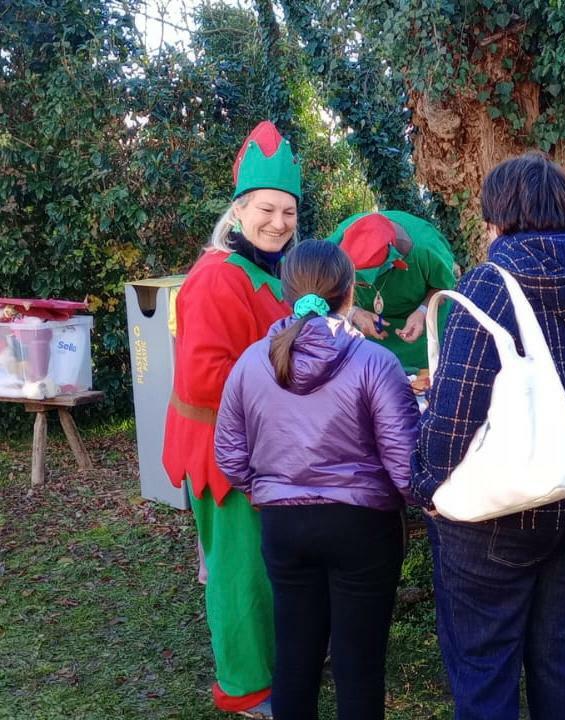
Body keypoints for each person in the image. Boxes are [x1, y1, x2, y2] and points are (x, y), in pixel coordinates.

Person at [412, 152, 565, 720]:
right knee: (561, 648)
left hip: (501, 511)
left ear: (496, 219)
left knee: (483, 662)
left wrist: (424, 486)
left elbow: (454, 416)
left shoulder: (489, 287)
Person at [215, 240, 418, 720]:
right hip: (362, 528)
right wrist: (418, 501)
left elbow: (229, 454)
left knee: (295, 656)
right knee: (359, 665)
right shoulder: (375, 362)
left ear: (287, 292)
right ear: (350, 293)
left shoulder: (251, 363)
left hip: (285, 527)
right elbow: (406, 466)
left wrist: (263, 490)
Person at [162, 120, 302, 717]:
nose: (278, 223)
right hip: (225, 450)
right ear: (239, 209)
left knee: (265, 564)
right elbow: (206, 379)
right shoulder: (219, 274)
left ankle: (273, 662)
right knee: (239, 574)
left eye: (289, 213)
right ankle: (246, 688)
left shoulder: (267, 273)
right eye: (267, 210)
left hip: (261, 446)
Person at [326, 210, 457, 373]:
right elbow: (319, 294)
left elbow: (444, 286)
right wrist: (353, 313)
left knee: (425, 381)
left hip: (423, 331)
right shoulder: (329, 251)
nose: (363, 285)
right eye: (358, 281)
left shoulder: (425, 248)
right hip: (367, 335)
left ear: (393, 261)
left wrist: (422, 311)